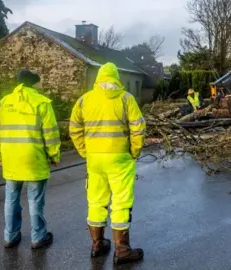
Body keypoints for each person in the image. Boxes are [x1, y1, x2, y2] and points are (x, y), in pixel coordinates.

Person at [69, 62, 146, 265]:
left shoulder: (85, 100)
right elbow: (138, 128)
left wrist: (85, 151)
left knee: (96, 201)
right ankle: (122, 250)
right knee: (120, 202)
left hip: (94, 160)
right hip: (120, 158)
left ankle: (98, 244)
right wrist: (134, 151)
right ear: (116, 78)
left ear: (98, 79)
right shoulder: (126, 99)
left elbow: (74, 128)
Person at [0, 69, 61, 249]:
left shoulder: (4, 103)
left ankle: (10, 236)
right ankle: (38, 237)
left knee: (11, 199)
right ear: (34, 83)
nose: (42, 85)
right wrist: (54, 155)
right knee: (35, 200)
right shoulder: (42, 102)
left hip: (10, 159)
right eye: (40, 82)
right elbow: (51, 134)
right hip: (34, 158)